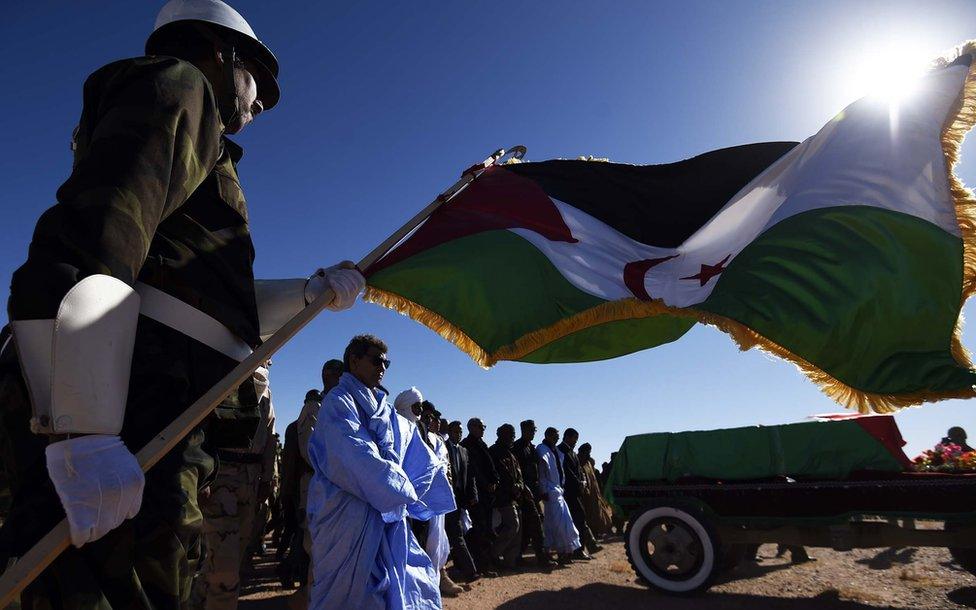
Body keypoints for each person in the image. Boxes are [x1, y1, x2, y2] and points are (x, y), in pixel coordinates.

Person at [0, 2, 364, 607]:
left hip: (149, 408)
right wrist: (80, 432)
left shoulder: (202, 135)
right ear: (219, 55)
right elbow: (90, 243)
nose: (261, 103)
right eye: (257, 80)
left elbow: (205, 307)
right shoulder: (179, 84)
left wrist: (311, 292)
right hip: (125, 406)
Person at [307, 335, 455, 610]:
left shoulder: (385, 412)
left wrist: (418, 482)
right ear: (354, 360)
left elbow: (414, 450)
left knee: (390, 590)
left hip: (385, 516)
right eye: (376, 360)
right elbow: (353, 456)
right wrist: (402, 491)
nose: (383, 367)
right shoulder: (337, 403)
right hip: (346, 516)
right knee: (346, 597)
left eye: (386, 362)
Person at [192, 363, 276, 610]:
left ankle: (195, 603)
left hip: (248, 483)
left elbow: (269, 438)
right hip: (222, 479)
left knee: (223, 564)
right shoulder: (227, 374)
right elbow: (200, 427)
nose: (269, 359)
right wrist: (203, 474)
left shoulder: (266, 390)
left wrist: (267, 478)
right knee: (225, 574)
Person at [424, 412, 463, 597]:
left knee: (438, 539)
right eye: (431, 417)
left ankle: (440, 576)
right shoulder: (414, 435)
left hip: (439, 500)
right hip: (420, 500)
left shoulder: (439, 440)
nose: (436, 421)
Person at [511, 419, 553, 568]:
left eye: (534, 430)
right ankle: (542, 558)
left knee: (530, 526)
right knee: (535, 523)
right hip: (522, 493)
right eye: (531, 429)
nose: (533, 432)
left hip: (533, 492)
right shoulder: (516, 447)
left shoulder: (532, 448)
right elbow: (516, 472)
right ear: (524, 429)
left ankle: (518, 556)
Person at [460, 418, 499, 576]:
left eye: (484, 426)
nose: (483, 429)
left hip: (487, 495)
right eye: (480, 426)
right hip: (476, 495)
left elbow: (490, 466)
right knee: (478, 531)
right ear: (472, 428)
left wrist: (495, 481)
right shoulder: (466, 445)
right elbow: (473, 471)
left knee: (486, 530)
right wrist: (485, 485)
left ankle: (484, 564)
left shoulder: (481, 444)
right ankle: (478, 566)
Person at [537, 428, 581, 565]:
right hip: (550, 492)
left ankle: (564, 552)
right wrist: (543, 490)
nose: (557, 438)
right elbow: (542, 472)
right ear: (548, 435)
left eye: (557, 436)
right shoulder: (542, 449)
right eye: (555, 436)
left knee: (565, 523)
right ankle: (559, 552)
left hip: (558, 491)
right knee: (557, 525)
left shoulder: (555, 451)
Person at [444, 421, 480, 583]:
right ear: (449, 432)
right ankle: (469, 571)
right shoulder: (442, 447)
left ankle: (464, 570)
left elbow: (470, 476)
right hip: (445, 497)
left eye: (460, 431)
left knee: (456, 534)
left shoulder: (464, 451)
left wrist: (473, 495)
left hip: (460, 499)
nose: (458, 434)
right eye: (455, 431)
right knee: (453, 535)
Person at [558, 429, 601, 559]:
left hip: (576, 492)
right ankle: (575, 550)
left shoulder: (571, 452)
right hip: (568, 492)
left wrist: (582, 482)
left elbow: (578, 471)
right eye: (574, 439)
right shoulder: (561, 451)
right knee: (577, 519)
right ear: (567, 437)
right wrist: (579, 483)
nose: (575, 442)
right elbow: (567, 472)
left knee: (580, 519)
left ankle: (579, 549)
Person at [488, 424, 526, 570]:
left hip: (514, 497)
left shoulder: (511, 454)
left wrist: (519, 486)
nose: (513, 437)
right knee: (513, 525)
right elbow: (494, 476)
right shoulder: (493, 452)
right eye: (510, 434)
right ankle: (494, 554)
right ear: (501, 435)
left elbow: (519, 475)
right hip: (502, 497)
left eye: (513, 434)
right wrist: (509, 488)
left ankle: (510, 561)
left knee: (518, 529)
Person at [577, 443, 614, 539]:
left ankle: (598, 532)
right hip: (586, 494)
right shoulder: (578, 462)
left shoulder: (588, 463)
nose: (588, 454)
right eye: (587, 452)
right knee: (588, 514)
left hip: (594, 493)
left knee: (597, 513)